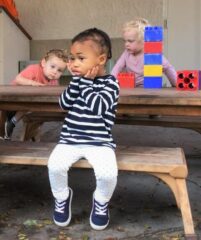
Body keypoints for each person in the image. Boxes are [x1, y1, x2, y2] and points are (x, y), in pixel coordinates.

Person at [48, 28, 119, 230]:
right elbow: (63, 104)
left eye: (80, 58)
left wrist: (86, 83)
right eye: (72, 58)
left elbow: (98, 108)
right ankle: (62, 197)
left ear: (101, 59)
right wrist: (77, 81)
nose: (74, 63)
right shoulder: (77, 81)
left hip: (99, 142)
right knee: (55, 166)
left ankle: (101, 201)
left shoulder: (111, 83)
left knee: (107, 174)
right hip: (70, 139)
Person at [4, 49, 68, 140]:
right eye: (52, 66)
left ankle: (13, 123)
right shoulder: (34, 69)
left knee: (34, 109)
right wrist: (32, 83)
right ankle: (10, 124)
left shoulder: (54, 81)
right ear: (43, 63)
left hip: (30, 101)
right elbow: (18, 79)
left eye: (59, 70)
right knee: (27, 105)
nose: (55, 72)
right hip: (15, 97)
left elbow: (54, 94)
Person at [111, 18, 177, 87]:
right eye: (125, 41)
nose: (126, 44)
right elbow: (117, 68)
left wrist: (175, 83)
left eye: (130, 41)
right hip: (132, 89)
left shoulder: (152, 54)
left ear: (144, 41)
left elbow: (167, 67)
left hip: (149, 89)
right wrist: (110, 82)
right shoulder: (126, 54)